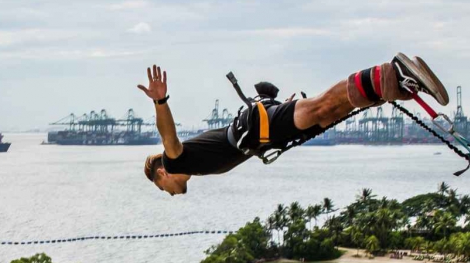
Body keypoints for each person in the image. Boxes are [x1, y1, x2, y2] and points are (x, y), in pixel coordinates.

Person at [139, 54, 449, 196]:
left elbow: (169, 137)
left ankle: (392, 72)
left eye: (161, 188)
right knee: (326, 114)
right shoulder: (196, 163)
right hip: (263, 132)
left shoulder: (176, 158)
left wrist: (160, 102)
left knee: (321, 107)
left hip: (259, 127)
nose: (168, 193)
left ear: (163, 174)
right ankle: (391, 84)